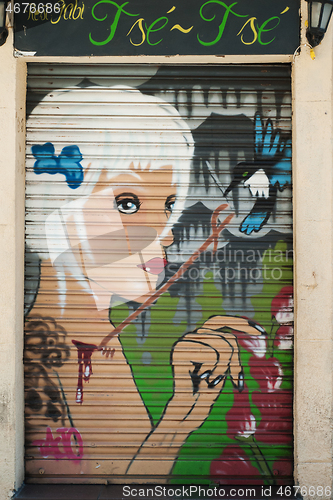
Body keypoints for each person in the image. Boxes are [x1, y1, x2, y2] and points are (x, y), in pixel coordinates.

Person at [25, 85, 263, 480]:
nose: (166, 234)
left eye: (169, 204)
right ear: (56, 207)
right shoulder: (38, 356)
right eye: (129, 203)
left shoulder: (100, 340)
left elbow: (121, 483)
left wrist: (181, 415)